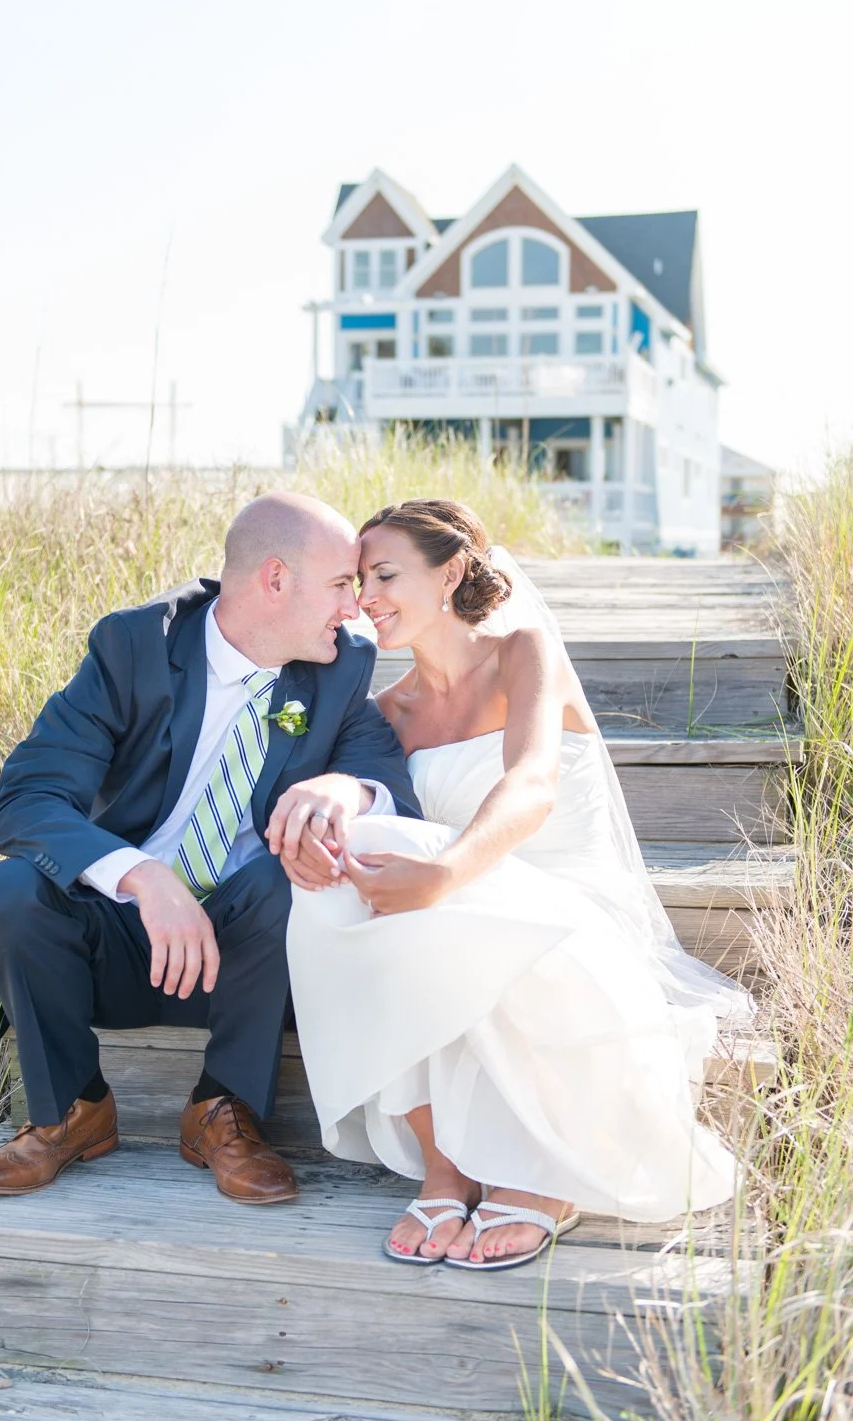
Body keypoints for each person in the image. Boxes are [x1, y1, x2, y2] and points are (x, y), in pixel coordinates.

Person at [287, 499, 753, 1271]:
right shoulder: (386, 712)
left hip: (567, 914)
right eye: (357, 580)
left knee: (414, 879)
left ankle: (540, 1174)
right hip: (453, 917)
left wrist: (443, 874)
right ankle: (446, 1166)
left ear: (451, 573)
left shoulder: (523, 653)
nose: (366, 596)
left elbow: (531, 785)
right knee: (346, 857)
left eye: (385, 574)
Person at [0, 492, 421, 1203]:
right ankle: (71, 1111)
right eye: (340, 584)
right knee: (14, 890)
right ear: (275, 579)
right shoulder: (134, 648)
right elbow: (26, 799)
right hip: (117, 946)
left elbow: (387, 784)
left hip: (253, 965)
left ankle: (222, 1110)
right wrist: (144, 877)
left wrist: (343, 790)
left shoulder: (338, 664)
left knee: (287, 875)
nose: (354, 607)